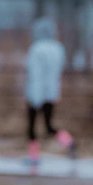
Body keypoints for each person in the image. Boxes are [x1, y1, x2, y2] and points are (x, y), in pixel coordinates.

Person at [24, 17, 76, 165]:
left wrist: (34, 96)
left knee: (32, 126)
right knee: (49, 126)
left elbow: (35, 74)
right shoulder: (58, 48)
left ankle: (33, 157)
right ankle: (69, 142)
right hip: (52, 93)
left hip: (36, 92)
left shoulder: (36, 49)